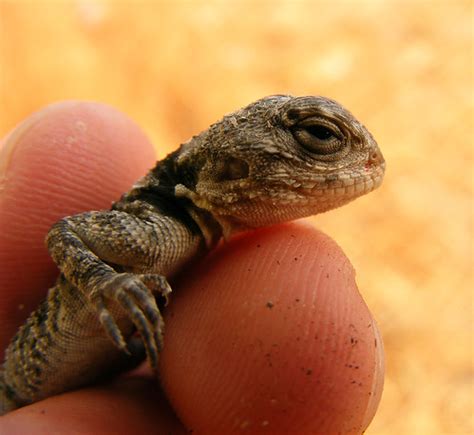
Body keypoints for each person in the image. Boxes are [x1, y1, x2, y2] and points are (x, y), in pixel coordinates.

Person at [0, 101, 384, 434]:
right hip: (16, 388)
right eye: (318, 135)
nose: (365, 163)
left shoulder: (208, 248)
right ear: (235, 166)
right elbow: (65, 232)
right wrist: (102, 282)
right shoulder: (155, 230)